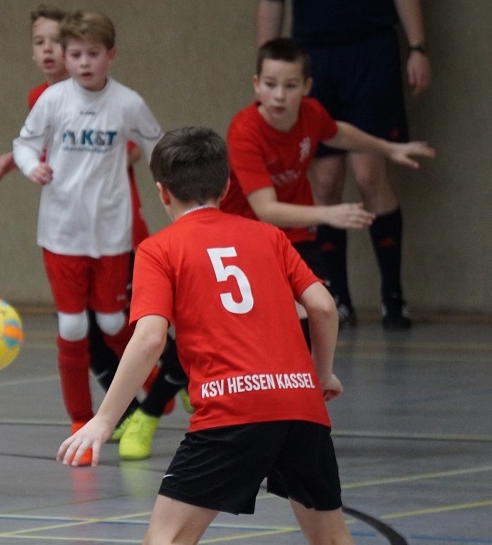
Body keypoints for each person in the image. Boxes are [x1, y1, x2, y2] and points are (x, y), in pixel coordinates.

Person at [58, 126, 354, 544]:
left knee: (166, 539)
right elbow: (322, 307)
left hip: (231, 409)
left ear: (162, 192)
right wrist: (320, 375)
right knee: (332, 539)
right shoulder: (269, 236)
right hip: (300, 404)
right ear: (227, 185)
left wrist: (105, 419)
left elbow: (150, 339)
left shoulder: (159, 249)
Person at [0, 5, 190, 461]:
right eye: (75, 54)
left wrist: (177, 190)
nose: (83, 63)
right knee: (74, 325)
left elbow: (158, 146)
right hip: (61, 232)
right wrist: (30, 166)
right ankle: (80, 418)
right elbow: (24, 143)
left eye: (92, 54)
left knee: (114, 322)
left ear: (110, 55)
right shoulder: (52, 100)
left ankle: (152, 383)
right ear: (66, 55)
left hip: (112, 232)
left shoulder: (127, 103)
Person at [247, 0, 432, 330]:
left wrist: (417, 47)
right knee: (324, 182)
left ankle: (393, 296)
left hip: (371, 47)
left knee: (369, 176)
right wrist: (270, 72)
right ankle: (337, 297)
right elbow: (270, 0)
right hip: (313, 53)